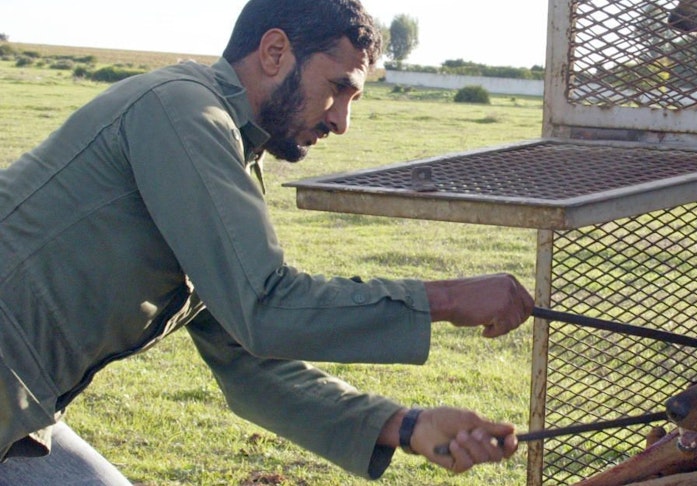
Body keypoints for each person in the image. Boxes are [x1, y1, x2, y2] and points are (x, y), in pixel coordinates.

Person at [0, 0, 535, 483]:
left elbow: (248, 355)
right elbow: (265, 307)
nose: (341, 121)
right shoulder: (185, 111)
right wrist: (444, 299)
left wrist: (404, 425)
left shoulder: (222, 144)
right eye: (337, 88)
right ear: (276, 52)